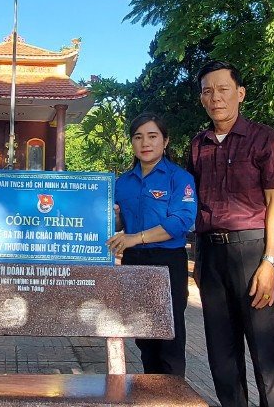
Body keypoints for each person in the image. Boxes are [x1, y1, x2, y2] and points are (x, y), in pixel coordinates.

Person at [188, 61, 274, 407]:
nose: (215, 97)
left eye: (223, 89)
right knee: (222, 355)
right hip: (210, 255)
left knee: (267, 353)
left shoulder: (264, 138)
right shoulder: (198, 144)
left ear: (240, 93)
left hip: (252, 252)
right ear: (202, 99)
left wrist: (270, 262)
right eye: (208, 91)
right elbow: (192, 202)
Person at [107, 113, 197, 376]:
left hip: (168, 263)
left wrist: (136, 237)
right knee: (144, 336)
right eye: (138, 137)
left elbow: (181, 221)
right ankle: (151, 391)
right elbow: (113, 223)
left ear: (165, 141)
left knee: (169, 337)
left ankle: (172, 393)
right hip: (134, 262)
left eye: (152, 136)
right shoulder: (122, 183)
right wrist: (112, 218)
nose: (145, 143)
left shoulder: (179, 178)